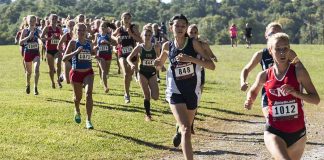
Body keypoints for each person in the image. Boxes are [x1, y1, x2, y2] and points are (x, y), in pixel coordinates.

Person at [244, 32, 320, 160]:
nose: (282, 52)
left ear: (289, 49)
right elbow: (253, 91)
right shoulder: (264, 75)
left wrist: (296, 93)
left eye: (285, 48)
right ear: (270, 51)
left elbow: (316, 99)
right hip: (274, 131)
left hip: (298, 133)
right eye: (278, 49)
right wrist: (249, 100)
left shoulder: (298, 71)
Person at [154, 14, 215, 160]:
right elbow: (160, 63)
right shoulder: (167, 45)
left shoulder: (193, 44)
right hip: (175, 90)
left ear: (187, 28)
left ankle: (178, 130)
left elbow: (211, 66)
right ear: (171, 27)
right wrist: (157, 63)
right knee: (186, 129)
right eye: (177, 25)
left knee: (185, 128)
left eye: (183, 26)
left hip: (192, 91)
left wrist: (190, 59)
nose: (180, 28)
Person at [240, 22, 301, 119]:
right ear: (266, 35)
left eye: (278, 34)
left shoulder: (289, 53)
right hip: (269, 93)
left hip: (288, 94)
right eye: (272, 34)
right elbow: (246, 69)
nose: (275, 37)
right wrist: (243, 82)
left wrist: (300, 94)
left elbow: (300, 72)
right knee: (272, 121)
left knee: (289, 124)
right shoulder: (261, 54)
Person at [62, 23, 96, 129]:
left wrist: (96, 53)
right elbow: (64, 58)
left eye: (83, 30)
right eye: (79, 30)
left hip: (88, 73)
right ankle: (77, 109)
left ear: (86, 32)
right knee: (78, 98)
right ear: (75, 31)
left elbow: (93, 54)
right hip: (76, 73)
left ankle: (88, 120)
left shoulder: (89, 43)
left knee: (88, 94)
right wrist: (76, 52)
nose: (81, 32)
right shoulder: (73, 43)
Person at [187, 24, 218, 134]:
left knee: (196, 99)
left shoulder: (203, 45)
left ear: (198, 33)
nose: (193, 34)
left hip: (200, 74)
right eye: (191, 32)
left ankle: (191, 124)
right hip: (187, 75)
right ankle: (188, 124)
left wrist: (213, 56)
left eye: (195, 32)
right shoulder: (185, 44)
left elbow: (210, 55)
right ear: (187, 32)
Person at [127, 28, 160, 121]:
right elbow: (128, 58)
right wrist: (132, 64)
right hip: (142, 73)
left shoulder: (155, 46)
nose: (147, 37)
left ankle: (151, 87)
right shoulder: (139, 47)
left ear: (152, 36)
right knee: (147, 95)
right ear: (142, 36)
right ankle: (148, 115)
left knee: (156, 97)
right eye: (145, 35)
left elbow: (159, 58)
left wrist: (160, 64)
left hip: (152, 73)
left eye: (149, 35)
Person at [112, 12, 142, 103]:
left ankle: (129, 83)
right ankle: (127, 94)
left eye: (128, 18)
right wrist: (116, 39)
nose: (126, 20)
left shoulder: (133, 28)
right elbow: (112, 35)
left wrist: (131, 34)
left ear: (130, 19)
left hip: (132, 54)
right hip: (122, 54)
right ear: (122, 19)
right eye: (124, 18)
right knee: (125, 74)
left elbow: (140, 40)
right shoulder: (120, 29)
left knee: (129, 75)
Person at [19, 15, 42, 95]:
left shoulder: (37, 30)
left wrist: (42, 38)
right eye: (30, 21)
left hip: (36, 53)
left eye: (33, 21)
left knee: (37, 69)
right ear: (28, 22)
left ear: (36, 22)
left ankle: (35, 87)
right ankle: (28, 84)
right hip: (27, 53)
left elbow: (42, 36)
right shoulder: (25, 31)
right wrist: (28, 36)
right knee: (29, 73)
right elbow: (20, 42)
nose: (32, 23)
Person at [94, 21, 118, 93]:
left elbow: (114, 43)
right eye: (101, 26)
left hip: (108, 55)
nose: (103, 28)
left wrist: (107, 42)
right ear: (99, 28)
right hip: (100, 55)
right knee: (104, 71)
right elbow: (95, 44)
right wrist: (95, 48)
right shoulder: (97, 35)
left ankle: (103, 79)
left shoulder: (109, 36)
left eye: (104, 26)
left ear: (107, 28)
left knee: (106, 72)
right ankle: (105, 86)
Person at [41, 14, 63, 89]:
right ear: (50, 20)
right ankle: (52, 82)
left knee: (58, 64)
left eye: (55, 19)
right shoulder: (47, 28)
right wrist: (50, 38)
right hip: (49, 50)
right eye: (53, 19)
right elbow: (41, 38)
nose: (54, 20)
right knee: (51, 68)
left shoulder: (59, 28)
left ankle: (58, 80)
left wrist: (59, 38)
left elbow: (63, 38)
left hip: (57, 50)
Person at [57, 20, 75, 84]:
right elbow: (58, 46)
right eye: (70, 25)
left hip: (75, 57)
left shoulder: (77, 36)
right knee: (68, 81)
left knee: (75, 73)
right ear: (67, 27)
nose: (72, 27)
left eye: (73, 25)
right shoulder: (65, 36)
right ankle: (62, 76)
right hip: (67, 57)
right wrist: (62, 52)